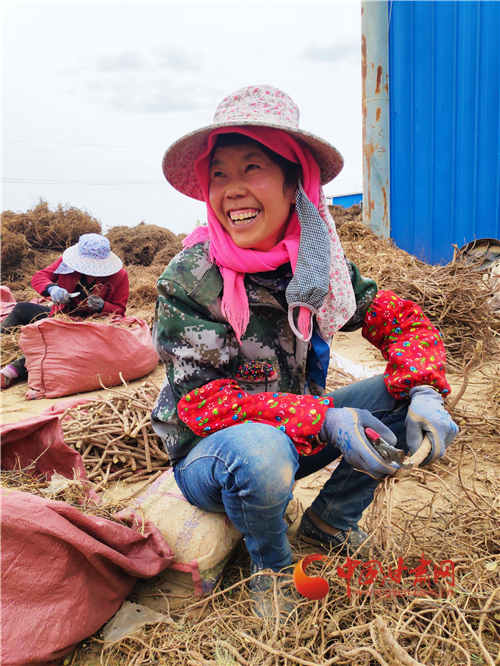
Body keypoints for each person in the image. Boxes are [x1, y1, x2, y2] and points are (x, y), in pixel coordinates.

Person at [151, 85, 459, 618]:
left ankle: (328, 523)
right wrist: (326, 417)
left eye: (253, 168)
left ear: (296, 181)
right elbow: (203, 402)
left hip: (296, 435)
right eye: (219, 174)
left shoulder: (320, 266)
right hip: (215, 456)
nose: (233, 190)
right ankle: (271, 568)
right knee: (261, 450)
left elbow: (400, 319)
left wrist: (426, 387)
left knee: (401, 394)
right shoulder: (191, 277)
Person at [1, 233, 129, 389]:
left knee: (54, 336)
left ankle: (12, 372)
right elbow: (39, 277)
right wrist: (52, 288)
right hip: (60, 315)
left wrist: (103, 307)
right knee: (22, 308)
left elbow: (120, 309)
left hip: (89, 326)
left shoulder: (119, 275)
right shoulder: (67, 264)